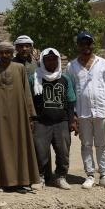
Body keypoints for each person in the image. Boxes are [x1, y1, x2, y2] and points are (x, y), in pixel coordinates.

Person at [67, 31, 105, 189]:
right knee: (86, 144)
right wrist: (73, 115)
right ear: (78, 45)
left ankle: (103, 175)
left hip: (101, 110)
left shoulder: (103, 63)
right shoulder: (71, 66)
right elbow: (71, 91)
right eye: (82, 43)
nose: (85, 46)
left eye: (88, 43)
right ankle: (89, 175)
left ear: (92, 44)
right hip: (82, 112)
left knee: (101, 144)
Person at [0, 41, 40, 191]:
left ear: (12, 53)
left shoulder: (20, 68)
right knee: (0, 147)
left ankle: (22, 180)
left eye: (8, 52)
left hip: (19, 116)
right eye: (2, 52)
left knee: (20, 146)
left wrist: (30, 115)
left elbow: (26, 93)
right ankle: (1, 181)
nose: (5, 55)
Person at [29, 48, 76, 190]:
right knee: (40, 151)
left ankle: (61, 177)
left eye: (54, 59)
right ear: (42, 61)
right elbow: (28, 100)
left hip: (61, 121)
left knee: (63, 151)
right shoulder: (34, 78)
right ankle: (40, 177)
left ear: (58, 61)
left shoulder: (65, 78)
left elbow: (71, 100)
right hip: (41, 122)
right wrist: (31, 120)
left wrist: (72, 120)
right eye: (48, 59)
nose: (51, 62)